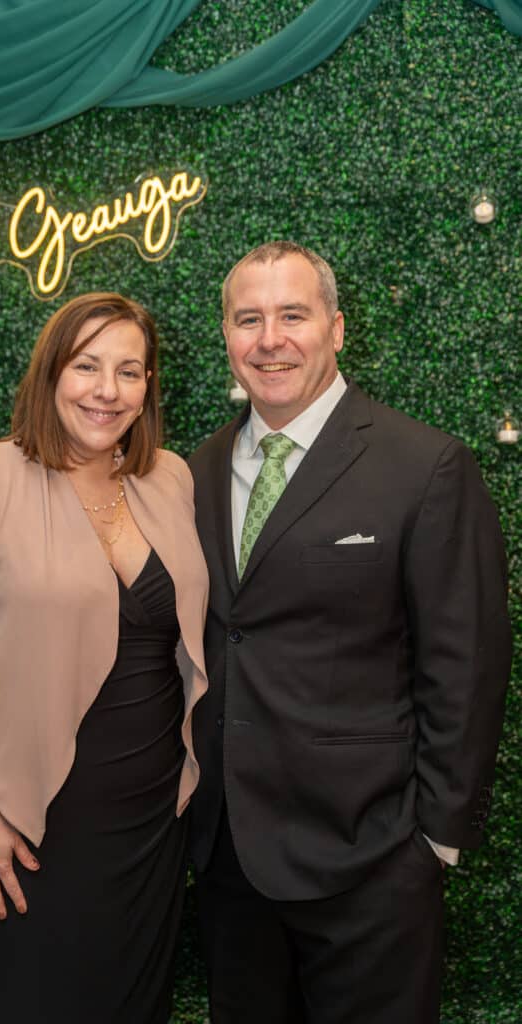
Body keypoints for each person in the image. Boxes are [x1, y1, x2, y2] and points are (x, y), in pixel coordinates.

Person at [188, 241, 511, 1024]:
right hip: (227, 859)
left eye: (292, 316)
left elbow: (464, 664)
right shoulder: (194, 469)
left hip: (371, 860)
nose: (269, 339)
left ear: (335, 329)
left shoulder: (424, 465)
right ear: (226, 335)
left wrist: (433, 840)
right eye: (248, 319)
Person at [0, 292, 209, 1024]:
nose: (107, 390)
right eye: (87, 366)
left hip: (151, 821)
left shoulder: (171, 478)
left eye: (129, 371)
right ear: (50, 373)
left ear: (148, 386)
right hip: (26, 822)